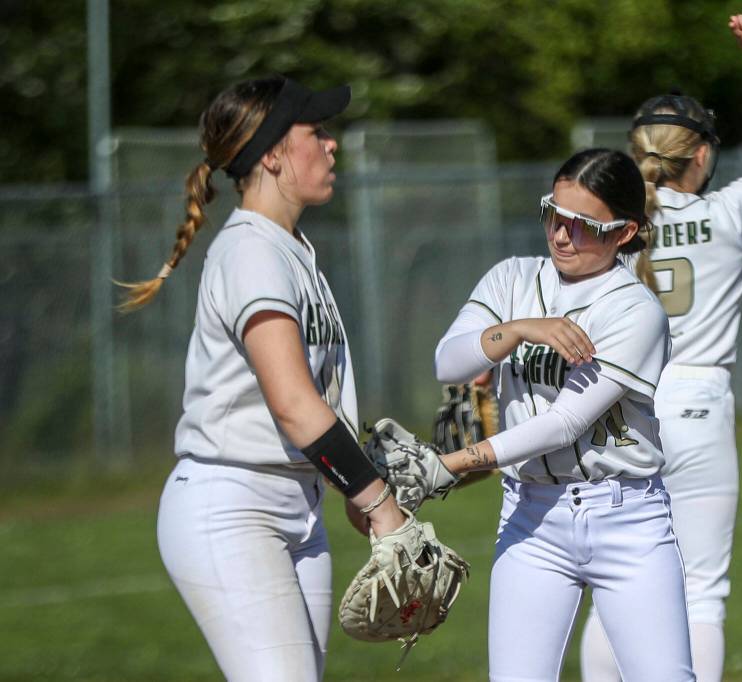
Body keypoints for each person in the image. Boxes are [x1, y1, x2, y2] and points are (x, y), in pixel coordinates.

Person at [118, 75, 406, 682]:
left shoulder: (290, 247)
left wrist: (356, 481)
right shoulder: (253, 251)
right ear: (273, 154)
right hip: (232, 507)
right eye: (317, 132)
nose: (332, 146)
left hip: (295, 508)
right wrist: (377, 502)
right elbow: (295, 406)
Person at [580, 14, 742, 682]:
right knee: (700, 589)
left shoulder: (610, 231)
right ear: (702, 153)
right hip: (698, 405)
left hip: (621, 406)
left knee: (617, 585)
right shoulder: (730, 212)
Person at [433, 148, 696, 681]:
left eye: (583, 225)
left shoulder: (635, 308)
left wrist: (457, 462)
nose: (561, 234)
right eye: (554, 214)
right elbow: (448, 361)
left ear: (625, 233)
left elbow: (564, 423)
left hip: (626, 518)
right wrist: (521, 328)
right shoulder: (510, 278)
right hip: (531, 517)